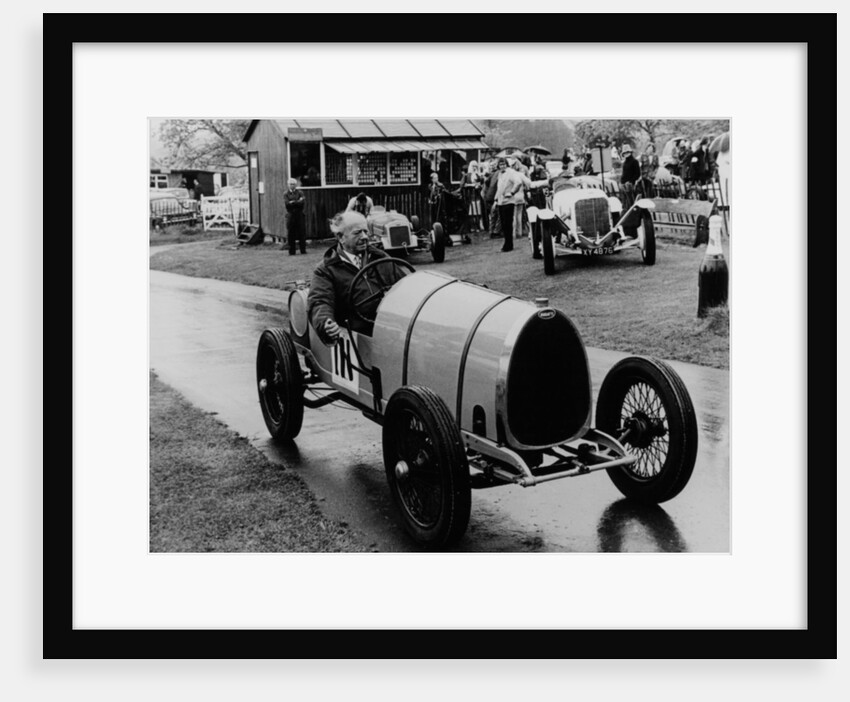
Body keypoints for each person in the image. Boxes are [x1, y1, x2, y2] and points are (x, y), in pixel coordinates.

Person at [306, 211, 406, 344]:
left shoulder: (380, 258)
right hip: (355, 335)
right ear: (341, 237)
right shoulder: (326, 270)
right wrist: (326, 323)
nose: (364, 237)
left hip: (390, 328)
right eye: (357, 233)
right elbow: (320, 301)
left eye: (365, 231)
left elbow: (405, 285)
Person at [494, 157, 531, 253]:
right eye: (500, 164)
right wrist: (496, 199)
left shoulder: (511, 173)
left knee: (508, 223)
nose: (502, 166)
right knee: (503, 224)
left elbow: (518, 182)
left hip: (509, 201)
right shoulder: (500, 174)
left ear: (507, 164)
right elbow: (499, 188)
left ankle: (509, 244)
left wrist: (512, 192)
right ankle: (507, 243)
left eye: (504, 164)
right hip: (501, 202)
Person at [457, 161, 484, 234]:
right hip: (470, 196)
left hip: (477, 196)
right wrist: (470, 185)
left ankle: (477, 226)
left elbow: (481, 185)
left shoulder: (478, 176)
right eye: (473, 166)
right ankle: (472, 226)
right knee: (471, 212)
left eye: (476, 166)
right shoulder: (466, 176)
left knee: (478, 211)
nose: (474, 168)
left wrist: (479, 186)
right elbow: (462, 185)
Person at [283, 177, 307, 255]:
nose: (292, 185)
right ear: (288, 185)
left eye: (293, 184)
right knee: (291, 233)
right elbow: (287, 204)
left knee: (302, 232)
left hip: (299, 214)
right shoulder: (286, 194)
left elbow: (302, 203)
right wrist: (297, 201)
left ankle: (303, 250)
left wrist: (293, 202)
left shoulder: (300, 192)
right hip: (290, 215)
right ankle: (292, 251)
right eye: (290, 184)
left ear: (296, 185)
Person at [427, 172, 448, 239]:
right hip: (432, 204)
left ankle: (439, 232)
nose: (436, 179)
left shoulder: (440, 185)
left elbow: (444, 193)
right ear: (432, 179)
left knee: (439, 217)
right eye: (435, 178)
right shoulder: (430, 186)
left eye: (437, 178)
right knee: (432, 217)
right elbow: (428, 194)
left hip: (439, 205)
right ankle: (432, 230)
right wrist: (429, 199)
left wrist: (438, 196)